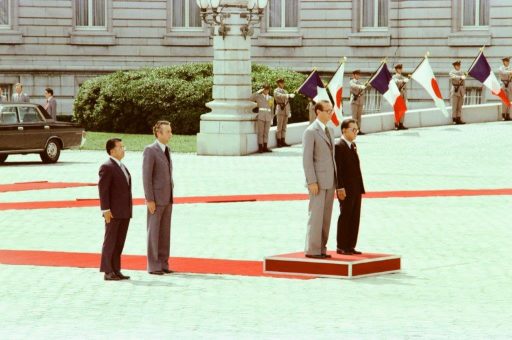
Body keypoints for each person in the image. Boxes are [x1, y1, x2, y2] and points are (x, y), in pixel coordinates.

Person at [302, 100, 336, 259]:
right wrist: (311, 181)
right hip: (318, 182)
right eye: (328, 111)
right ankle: (312, 249)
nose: (330, 113)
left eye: (331, 110)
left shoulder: (330, 130)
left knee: (326, 217)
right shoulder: (311, 131)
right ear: (318, 112)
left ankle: (322, 248)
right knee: (316, 216)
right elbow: (307, 159)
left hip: (330, 180)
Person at [98, 138, 133, 281]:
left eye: (123, 146)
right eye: (120, 147)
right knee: (110, 241)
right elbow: (103, 190)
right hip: (112, 212)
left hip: (124, 211)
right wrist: (105, 209)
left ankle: (116, 269)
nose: (123, 149)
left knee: (119, 242)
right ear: (112, 151)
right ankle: (108, 271)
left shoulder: (121, 166)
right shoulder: (107, 166)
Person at [143, 120, 174, 275]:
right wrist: (149, 199)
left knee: (164, 233)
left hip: (168, 197)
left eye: (170, 131)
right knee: (153, 233)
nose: (171, 134)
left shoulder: (167, 149)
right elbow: (146, 177)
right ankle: (153, 265)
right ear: (158, 133)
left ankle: (163, 263)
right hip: (155, 198)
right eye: (167, 131)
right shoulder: (150, 150)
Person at [335, 119, 366, 255]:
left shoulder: (352, 145)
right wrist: (340, 187)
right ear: (344, 130)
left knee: (355, 217)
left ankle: (351, 245)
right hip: (345, 189)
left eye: (356, 129)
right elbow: (338, 170)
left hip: (356, 187)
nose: (355, 132)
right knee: (346, 216)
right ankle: (342, 245)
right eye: (353, 129)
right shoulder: (339, 146)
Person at [249, 84, 274, 153]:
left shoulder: (271, 98)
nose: (266, 91)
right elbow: (250, 98)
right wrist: (258, 91)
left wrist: (272, 118)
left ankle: (265, 147)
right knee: (260, 132)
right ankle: (260, 147)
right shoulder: (258, 96)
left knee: (266, 132)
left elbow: (272, 109)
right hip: (261, 116)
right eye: (265, 89)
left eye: (268, 89)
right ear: (263, 89)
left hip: (268, 117)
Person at [274, 78, 295, 147]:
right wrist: (288, 95)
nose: (283, 84)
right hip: (280, 109)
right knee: (279, 127)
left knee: (284, 127)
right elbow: (279, 96)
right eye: (281, 83)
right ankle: (279, 141)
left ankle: (283, 141)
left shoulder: (285, 91)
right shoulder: (276, 90)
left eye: (283, 82)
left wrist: (289, 111)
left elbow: (287, 103)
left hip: (286, 110)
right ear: (278, 83)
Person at [392, 64, 409, 130]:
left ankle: (401, 123)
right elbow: (396, 81)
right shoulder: (394, 77)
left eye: (401, 68)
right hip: (397, 96)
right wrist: (403, 81)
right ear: (396, 69)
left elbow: (405, 89)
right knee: (397, 110)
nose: (400, 70)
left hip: (403, 96)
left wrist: (406, 98)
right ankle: (396, 124)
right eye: (399, 68)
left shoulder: (403, 77)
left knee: (402, 110)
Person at [349, 70, 366, 135]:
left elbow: (363, 92)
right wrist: (360, 87)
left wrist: (363, 87)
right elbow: (353, 86)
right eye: (357, 74)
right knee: (354, 117)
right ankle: (354, 130)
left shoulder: (360, 83)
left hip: (360, 101)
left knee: (359, 117)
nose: (358, 76)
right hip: (354, 101)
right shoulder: (351, 81)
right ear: (354, 75)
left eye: (359, 75)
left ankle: (359, 129)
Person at [449, 60, 466, 125]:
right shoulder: (451, 72)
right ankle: (454, 119)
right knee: (454, 106)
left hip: (461, 90)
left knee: (459, 106)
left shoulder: (462, 72)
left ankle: (459, 118)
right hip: (455, 90)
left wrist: (464, 92)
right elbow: (453, 77)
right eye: (457, 65)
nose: (458, 66)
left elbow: (464, 83)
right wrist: (460, 77)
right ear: (454, 66)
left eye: (459, 65)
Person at [498, 57, 512, 121]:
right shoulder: (501, 68)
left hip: (509, 84)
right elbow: (503, 72)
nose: (508, 62)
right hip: (503, 84)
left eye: (508, 61)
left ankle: (508, 115)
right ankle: (503, 115)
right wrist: (510, 72)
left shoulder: (510, 68)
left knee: (509, 100)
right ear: (503, 62)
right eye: (506, 61)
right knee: (504, 100)